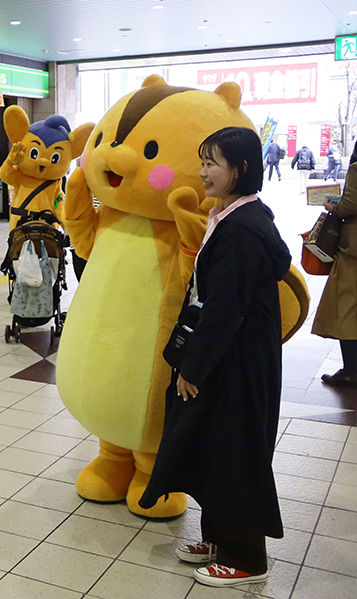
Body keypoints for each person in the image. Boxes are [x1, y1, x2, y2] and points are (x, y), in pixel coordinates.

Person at [141, 126, 290, 588]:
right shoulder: (232, 216)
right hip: (231, 355)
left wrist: (194, 366)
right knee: (213, 444)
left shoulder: (243, 231)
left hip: (236, 362)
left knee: (235, 450)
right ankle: (220, 540)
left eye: (212, 163)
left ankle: (247, 560)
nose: (203, 172)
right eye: (203, 161)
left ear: (240, 169)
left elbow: (225, 307)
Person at [314, 140, 357, 387]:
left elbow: (349, 205)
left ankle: (351, 370)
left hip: (353, 252)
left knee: (347, 309)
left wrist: (332, 205)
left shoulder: (356, 168)